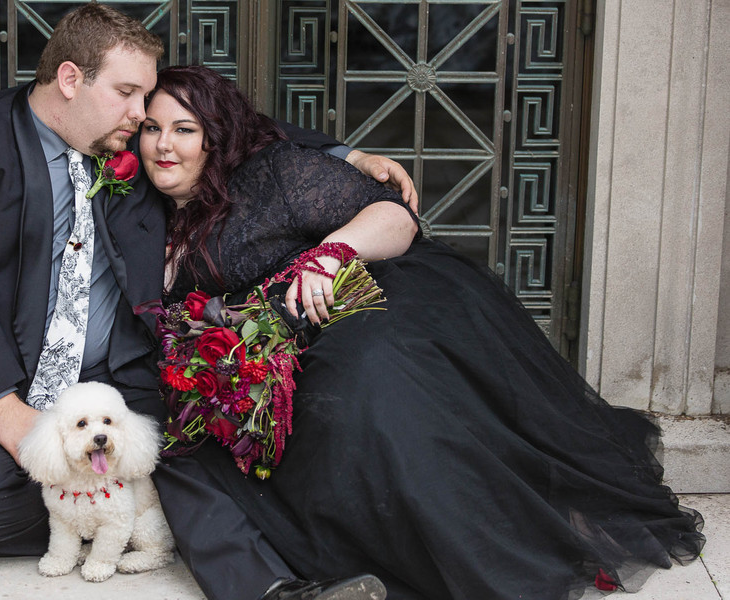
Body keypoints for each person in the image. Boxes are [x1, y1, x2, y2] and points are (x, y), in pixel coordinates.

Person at [0, 0, 414, 577]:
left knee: (208, 456)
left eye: (148, 100)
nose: (143, 117)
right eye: (129, 94)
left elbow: (228, 124)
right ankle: (132, 513)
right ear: (70, 79)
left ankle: (280, 583)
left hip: (116, 376)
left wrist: (347, 154)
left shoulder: (130, 141)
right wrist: (5, 413)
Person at [138, 65, 706, 600]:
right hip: (262, 360)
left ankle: (478, 546)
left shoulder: (275, 174)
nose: (164, 145)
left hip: (359, 312)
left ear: (216, 136)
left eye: (184, 129)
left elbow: (395, 215)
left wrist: (331, 254)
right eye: (152, 128)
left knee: (368, 388)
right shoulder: (139, 210)